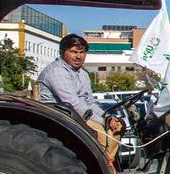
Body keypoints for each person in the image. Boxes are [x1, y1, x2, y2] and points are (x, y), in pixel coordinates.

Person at [37, 33, 124, 162]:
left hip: (76, 114)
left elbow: (89, 102)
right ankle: (99, 166)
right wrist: (100, 122)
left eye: (82, 52)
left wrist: (107, 117)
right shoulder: (56, 71)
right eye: (73, 52)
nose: (78, 56)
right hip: (59, 115)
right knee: (98, 132)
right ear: (62, 52)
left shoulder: (83, 74)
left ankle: (109, 163)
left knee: (118, 125)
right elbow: (72, 102)